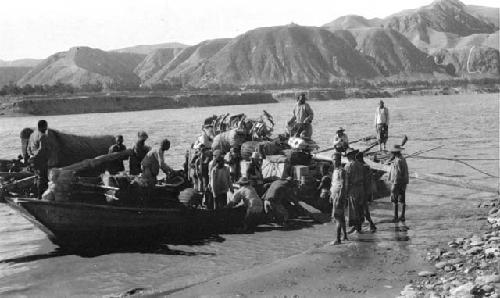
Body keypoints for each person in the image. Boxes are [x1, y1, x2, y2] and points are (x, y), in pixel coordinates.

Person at [28, 120, 50, 199]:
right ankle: (40, 197)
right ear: (43, 127)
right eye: (46, 126)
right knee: (42, 178)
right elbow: (42, 149)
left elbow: (29, 148)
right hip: (41, 160)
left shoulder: (32, 135)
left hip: (34, 160)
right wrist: (36, 156)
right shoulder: (43, 136)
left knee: (37, 177)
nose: (47, 128)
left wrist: (31, 156)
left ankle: (35, 194)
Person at [356, 151, 377, 232]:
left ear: (359, 158)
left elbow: (363, 181)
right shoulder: (366, 166)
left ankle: (370, 225)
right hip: (366, 191)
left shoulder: (363, 167)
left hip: (363, 191)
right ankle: (361, 226)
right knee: (363, 209)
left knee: (363, 209)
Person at [344, 148, 364, 234]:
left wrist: (345, 192)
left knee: (353, 208)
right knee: (359, 208)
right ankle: (358, 227)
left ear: (350, 156)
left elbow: (346, 180)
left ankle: (356, 227)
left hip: (353, 189)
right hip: (361, 188)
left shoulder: (348, 166)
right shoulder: (359, 164)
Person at [388, 145, 409, 222]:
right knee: (402, 200)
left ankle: (395, 217)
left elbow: (397, 174)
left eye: (392, 153)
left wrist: (394, 185)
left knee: (394, 200)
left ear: (395, 153)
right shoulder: (402, 159)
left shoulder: (398, 161)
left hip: (397, 183)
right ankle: (402, 216)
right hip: (403, 182)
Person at [330, 157, 348, 245]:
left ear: (339, 160)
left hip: (339, 196)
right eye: (333, 159)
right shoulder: (335, 170)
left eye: (335, 159)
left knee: (337, 216)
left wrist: (340, 197)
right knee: (342, 217)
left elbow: (343, 185)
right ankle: (345, 235)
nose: (333, 161)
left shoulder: (341, 171)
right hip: (335, 195)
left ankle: (338, 239)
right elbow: (334, 183)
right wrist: (331, 194)